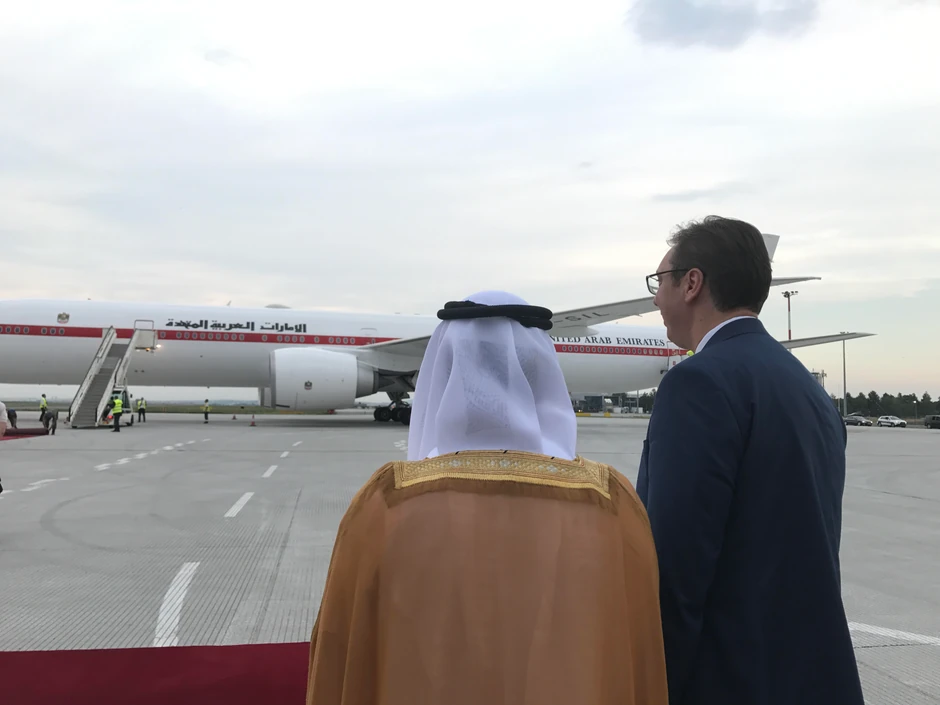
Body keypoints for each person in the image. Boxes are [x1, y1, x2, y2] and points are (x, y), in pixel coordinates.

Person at [306, 291, 668, 705]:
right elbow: (641, 660)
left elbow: (340, 657)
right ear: (542, 374)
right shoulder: (610, 501)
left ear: (443, 375)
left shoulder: (386, 502)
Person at [637, 216, 864, 705]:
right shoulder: (807, 388)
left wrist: (654, 687)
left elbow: (676, 570)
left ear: (692, 283)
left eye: (660, 281)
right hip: (812, 676)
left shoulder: (697, 383)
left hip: (730, 679)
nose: (655, 299)